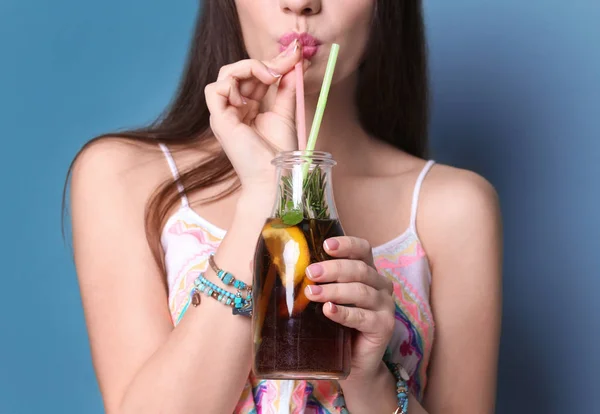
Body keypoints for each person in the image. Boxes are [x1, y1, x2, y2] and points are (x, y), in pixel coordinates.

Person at [67, 0, 502, 413]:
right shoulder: (123, 177)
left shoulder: (453, 209)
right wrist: (264, 194)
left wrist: (372, 381)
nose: (301, 3)